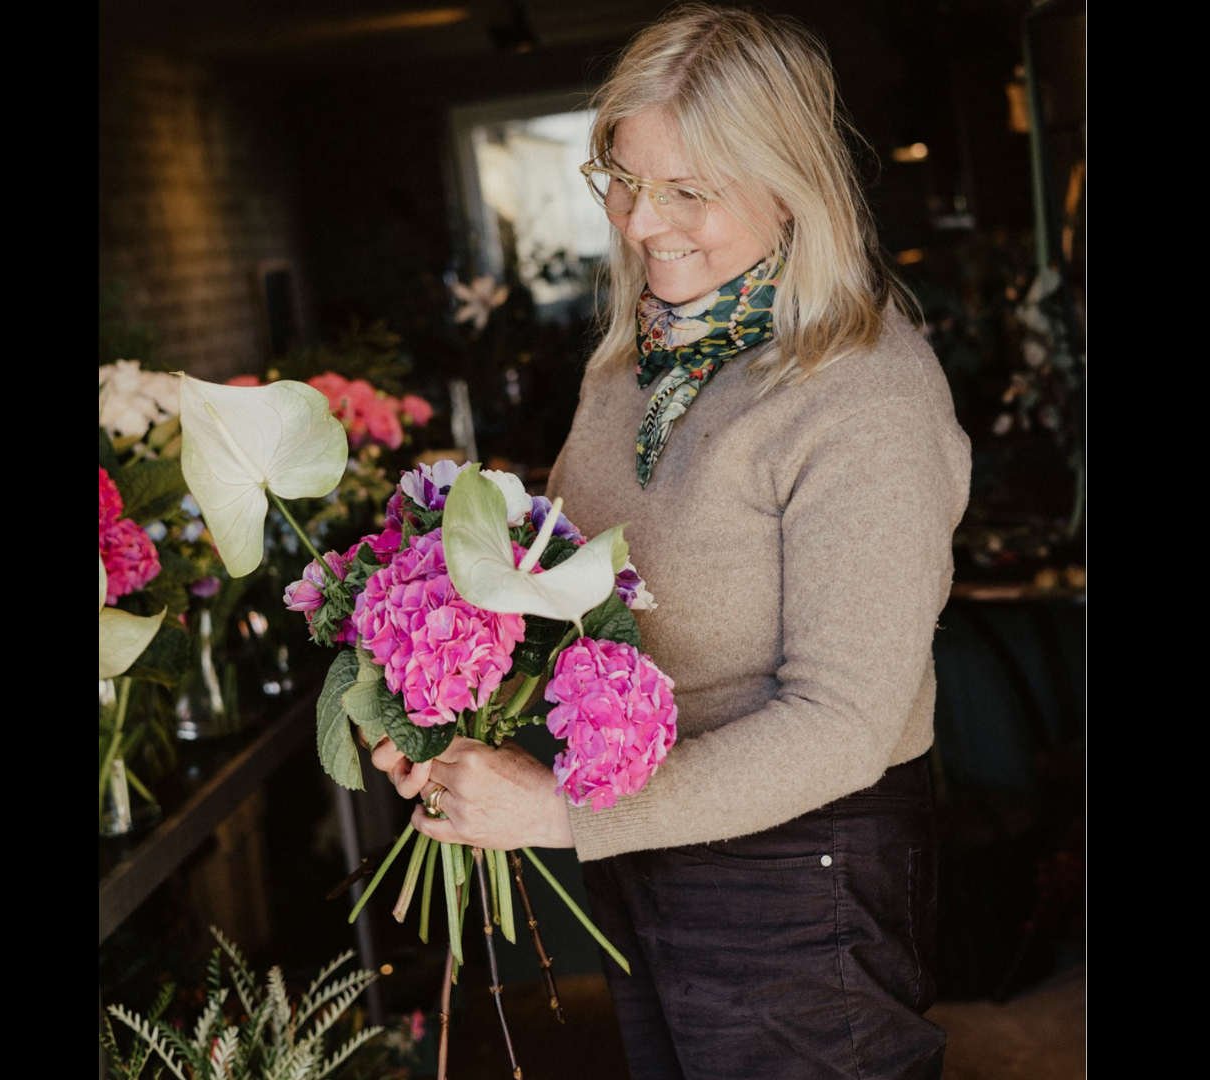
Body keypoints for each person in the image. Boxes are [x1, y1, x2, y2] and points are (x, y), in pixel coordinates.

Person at [367, 6, 971, 1077]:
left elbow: (844, 725)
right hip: (643, 846)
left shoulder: (864, 393)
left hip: (796, 875)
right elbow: (575, 601)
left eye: (689, 191)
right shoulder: (630, 366)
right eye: (625, 181)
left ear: (790, 186)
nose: (644, 224)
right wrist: (448, 722)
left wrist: (555, 809)